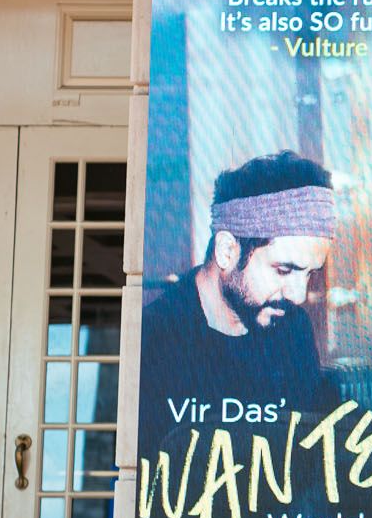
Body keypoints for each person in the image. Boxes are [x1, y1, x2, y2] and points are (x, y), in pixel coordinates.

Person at [137, 149, 337, 438]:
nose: (298, 295)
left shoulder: (293, 330)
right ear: (227, 251)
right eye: (284, 270)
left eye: (309, 274)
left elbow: (308, 464)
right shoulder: (153, 339)